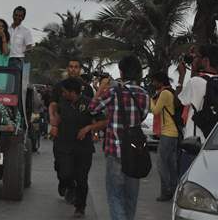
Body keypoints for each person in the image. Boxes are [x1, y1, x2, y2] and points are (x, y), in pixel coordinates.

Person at [89, 55, 149, 220]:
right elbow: (142, 117)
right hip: (135, 152)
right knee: (131, 198)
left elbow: (93, 108)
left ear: (121, 72)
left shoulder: (113, 92)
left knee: (115, 196)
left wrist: (101, 87)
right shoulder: (144, 94)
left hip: (115, 151)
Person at [51, 78, 105, 218]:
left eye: (64, 92)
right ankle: (68, 185)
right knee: (64, 173)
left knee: (82, 179)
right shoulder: (62, 102)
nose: (62, 94)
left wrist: (89, 128)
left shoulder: (89, 104)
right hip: (64, 146)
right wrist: (54, 123)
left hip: (83, 148)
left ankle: (80, 207)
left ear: (72, 92)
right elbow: (54, 109)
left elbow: (104, 121)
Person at [177, 44, 218, 174]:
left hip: (193, 146)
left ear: (206, 61)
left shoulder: (195, 82)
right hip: (213, 145)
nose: (194, 59)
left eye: (197, 57)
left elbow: (178, 101)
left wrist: (181, 76)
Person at [150, 71, 178, 202]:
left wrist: (150, 99)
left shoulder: (165, 93)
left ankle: (166, 191)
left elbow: (155, 110)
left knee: (161, 164)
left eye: (154, 81)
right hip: (174, 132)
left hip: (167, 132)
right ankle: (174, 189)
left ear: (160, 82)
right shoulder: (170, 91)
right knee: (171, 163)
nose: (153, 83)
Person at [49, 59, 94, 139]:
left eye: (76, 67)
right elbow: (53, 105)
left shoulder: (87, 88)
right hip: (63, 132)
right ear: (67, 69)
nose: (73, 69)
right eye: (71, 67)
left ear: (80, 69)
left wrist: (94, 131)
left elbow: (93, 109)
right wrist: (53, 124)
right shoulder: (59, 86)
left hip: (82, 134)